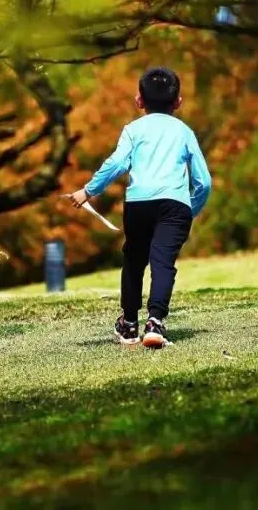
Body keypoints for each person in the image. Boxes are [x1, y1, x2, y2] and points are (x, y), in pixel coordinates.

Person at [68, 67, 212, 348]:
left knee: (134, 260)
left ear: (139, 101)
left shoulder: (133, 130)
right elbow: (203, 181)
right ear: (178, 102)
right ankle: (155, 322)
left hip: (138, 204)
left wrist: (89, 191)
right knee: (163, 263)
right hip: (174, 204)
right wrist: (190, 209)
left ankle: (129, 323)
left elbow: (117, 164)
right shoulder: (184, 131)